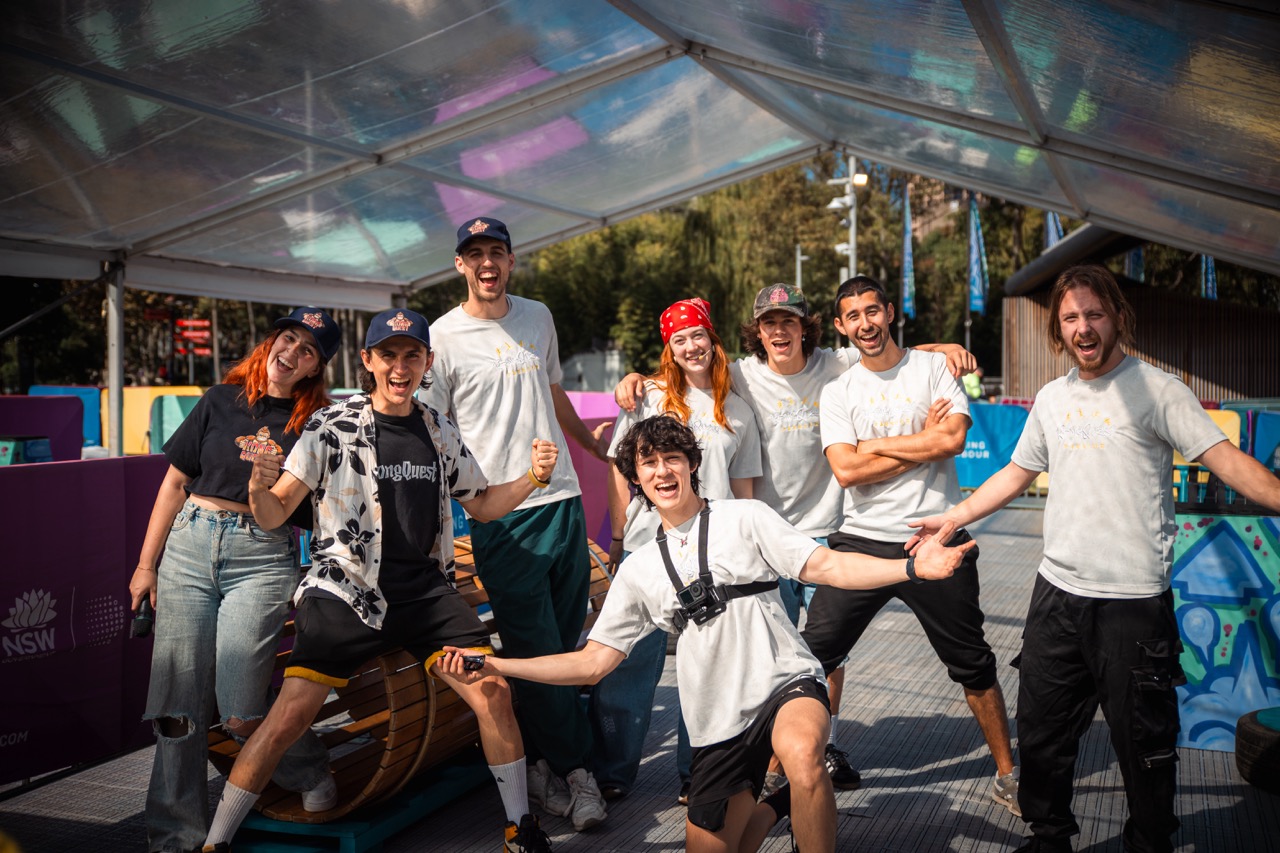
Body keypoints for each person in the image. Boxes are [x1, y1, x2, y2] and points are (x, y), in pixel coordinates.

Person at [438, 414, 978, 853]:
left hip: (785, 682)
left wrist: (913, 570)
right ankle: (776, 805)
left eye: (672, 457)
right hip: (716, 720)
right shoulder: (639, 569)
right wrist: (498, 664)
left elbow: (829, 568)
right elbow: (592, 663)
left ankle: (800, 796)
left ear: (693, 464)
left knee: (804, 754)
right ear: (636, 480)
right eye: (648, 463)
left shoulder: (747, 517)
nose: (662, 470)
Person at [908, 264, 1280, 853]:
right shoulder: (1053, 399)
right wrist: (954, 517)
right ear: (1060, 330)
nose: (1084, 328)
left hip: (1132, 602)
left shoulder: (1159, 391)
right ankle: (1050, 837)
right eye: (1071, 318)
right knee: (1042, 732)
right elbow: (1015, 471)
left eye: (1094, 314)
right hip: (1057, 595)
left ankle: (1150, 843)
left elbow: (1226, 460)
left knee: (1144, 744)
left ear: (1117, 318)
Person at [201, 308, 559, 853]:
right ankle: (216, 843)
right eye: (387, 355)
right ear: (366, 362)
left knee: (493, 692)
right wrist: (258, 487)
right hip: (344, 589)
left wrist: (533, 478)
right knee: (287, 718)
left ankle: (520, 829)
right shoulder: (329, 427)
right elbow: (275, 514)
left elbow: (484, 506)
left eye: (411, 355)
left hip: (423, 594)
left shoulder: (439, 430)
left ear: (427, 363)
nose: (400, 366)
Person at [615, 283, 978, 795]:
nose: (779, 331)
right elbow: (689, 367)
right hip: (770, 537)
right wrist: (636, 379)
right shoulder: (741, 373)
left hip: (830, 527)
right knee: (774, 652)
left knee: (829, 655)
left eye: (789, 322)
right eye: (769, 324)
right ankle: (768, 759)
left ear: (806, 327)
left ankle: (818, 746)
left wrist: (945, 349)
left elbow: (883, 344)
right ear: (757, 332)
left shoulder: (834, 363)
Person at [128, 307, 342, 853]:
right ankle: (177, 840)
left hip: (263, 557)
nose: (290, 353)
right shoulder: (220, 400)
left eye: (307, 350)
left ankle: (310, 767)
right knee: (178, 710)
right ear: (272, 342)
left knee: (241, 709)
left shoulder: (315, 425)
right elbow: (174, 485)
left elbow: (315, 510)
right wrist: (146, 564)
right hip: (190, 547)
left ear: (316, 368)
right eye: (287, 339)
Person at [803, 275, 1019, 814]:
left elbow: (953, 438)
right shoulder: (838, 390)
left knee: (973, 664)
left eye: (872, 311)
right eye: (852, 316)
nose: (865, 324)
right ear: (840, 326)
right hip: (859, 541)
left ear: (891, 312)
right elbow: (846, 472)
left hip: (936, 535)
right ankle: (777, 771)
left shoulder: (933, 368)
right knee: (809, 661)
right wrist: (919, 442)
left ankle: (1008, 772)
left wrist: (874, 444)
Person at [422, 217, 610, 832]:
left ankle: (544, 765)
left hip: (563, 501)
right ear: (459, 265)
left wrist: (595, 451)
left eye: (496, 252)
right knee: (535, 650)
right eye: (474, 254)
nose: (486, 264)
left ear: (510, 260)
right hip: (499, 514)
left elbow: (555, 393)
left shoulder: (538, 316)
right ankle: (578, 773)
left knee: (564, 643)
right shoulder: (442, 338)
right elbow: (431, 429)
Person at [594, 297, 762, 804]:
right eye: (680, 339)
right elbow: (620, 469)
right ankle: (614, 770)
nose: (692, 346)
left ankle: (698, 773)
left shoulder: (738, 410)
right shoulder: (648, 399)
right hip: (649, 548)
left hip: (711, 558)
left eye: (699, 336)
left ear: (714, 342)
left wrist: (747, 550)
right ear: (669, 348)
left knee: (706, 668)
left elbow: (743, 489)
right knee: (628, 660)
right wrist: (620, 538)